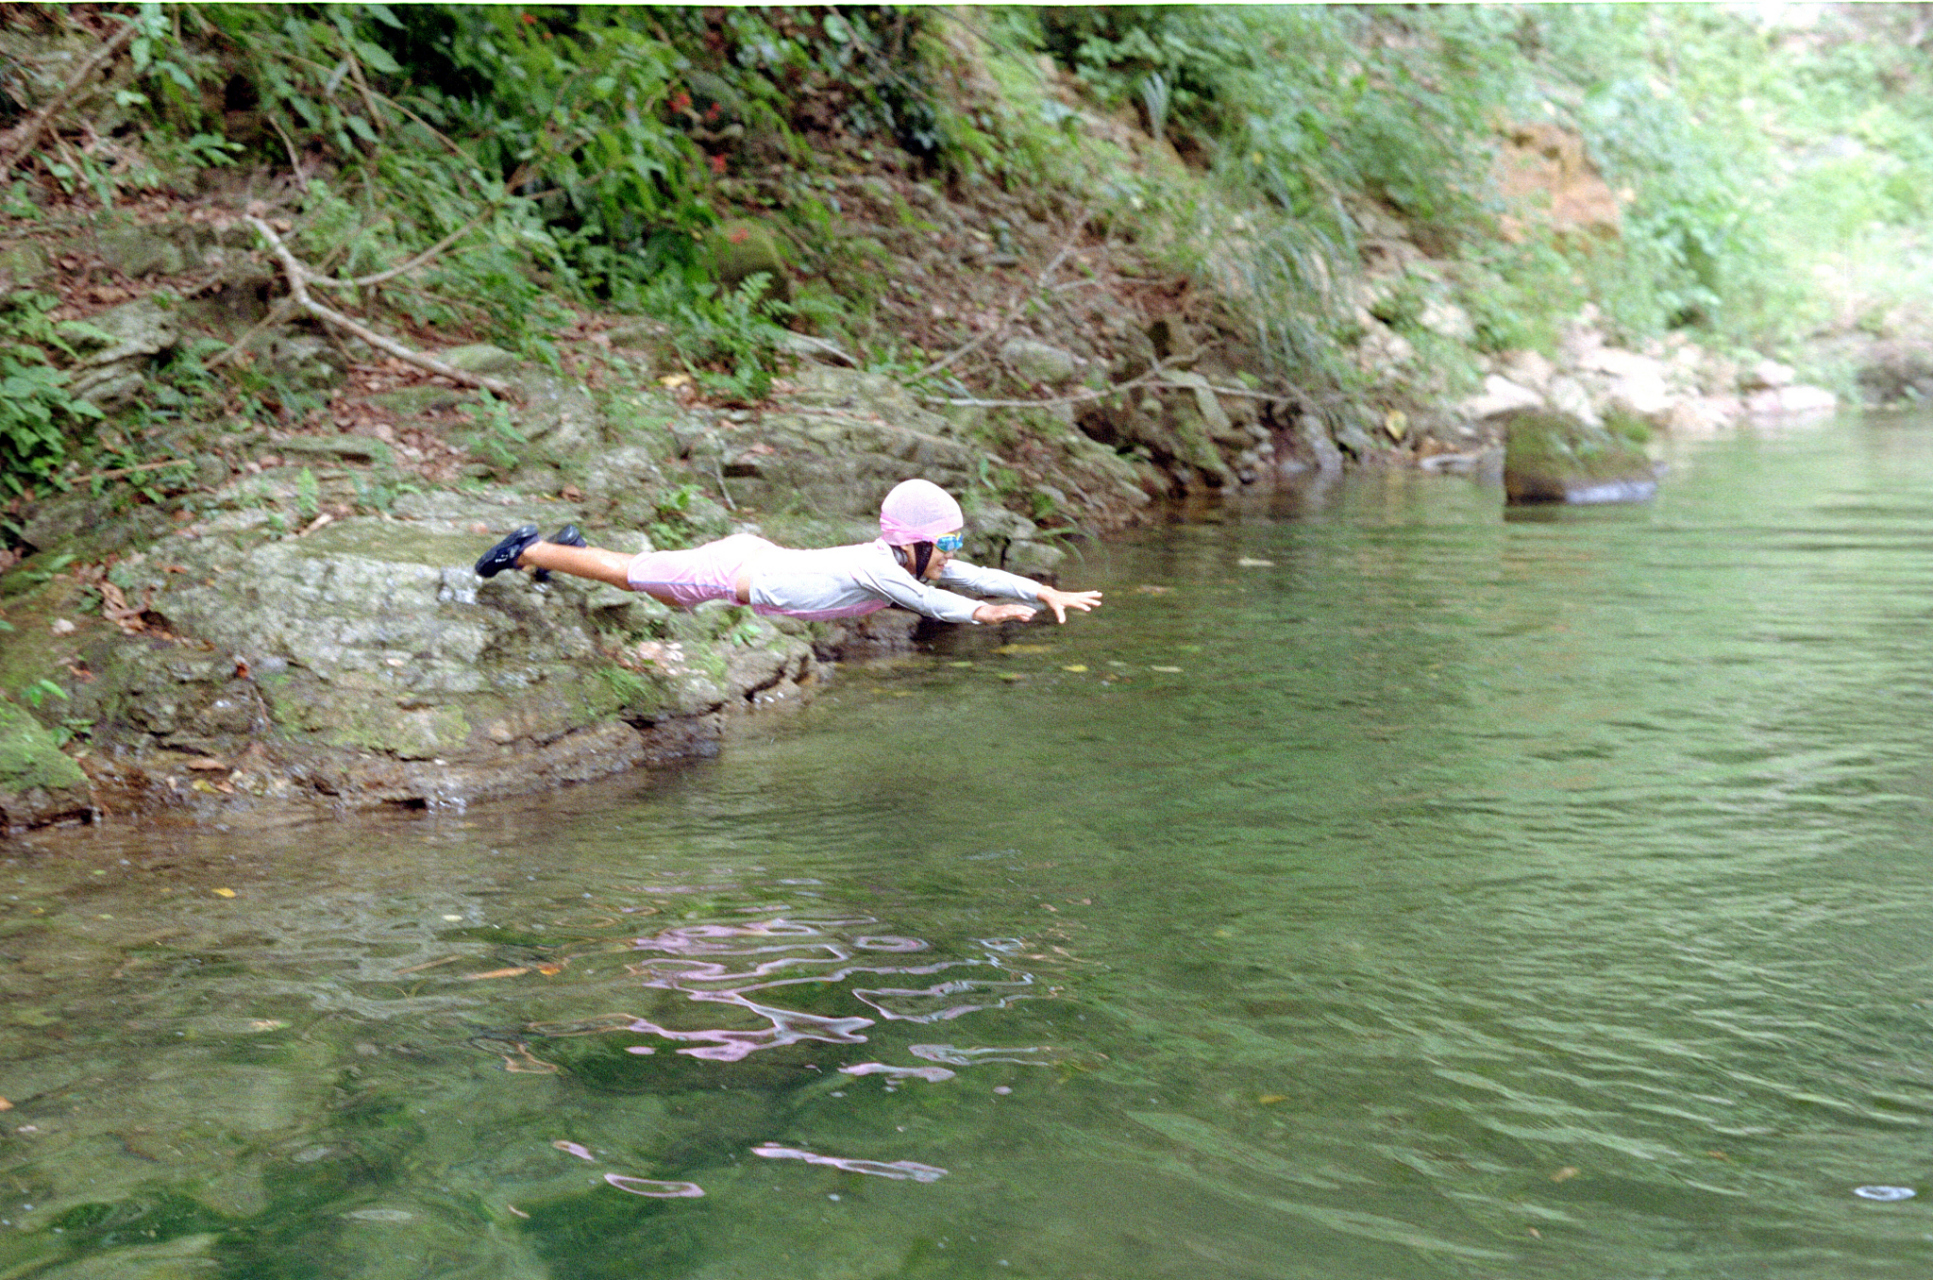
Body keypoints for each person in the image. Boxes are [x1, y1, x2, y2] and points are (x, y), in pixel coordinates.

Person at [473, 478, 1103, 626]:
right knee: (638, 575)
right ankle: (532, 551)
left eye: (956, 544)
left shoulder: (910, 558)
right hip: (733, 572)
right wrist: (981, 616)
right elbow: (929, 601)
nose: (953, 555)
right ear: (911, 542)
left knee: (656, 588)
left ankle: (565, 551)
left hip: (757, 563)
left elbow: (977, 576)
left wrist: (1039, 590)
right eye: (947, 543)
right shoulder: (880, 569)